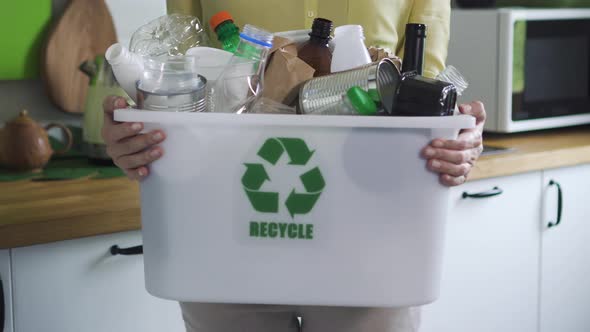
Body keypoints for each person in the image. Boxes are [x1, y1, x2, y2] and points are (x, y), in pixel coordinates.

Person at [102, 1, 486, 331]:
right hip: (225, 242)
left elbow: (429, 89)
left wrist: (458, 138)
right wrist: (135, 132)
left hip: (370, 245)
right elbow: (175, 73)